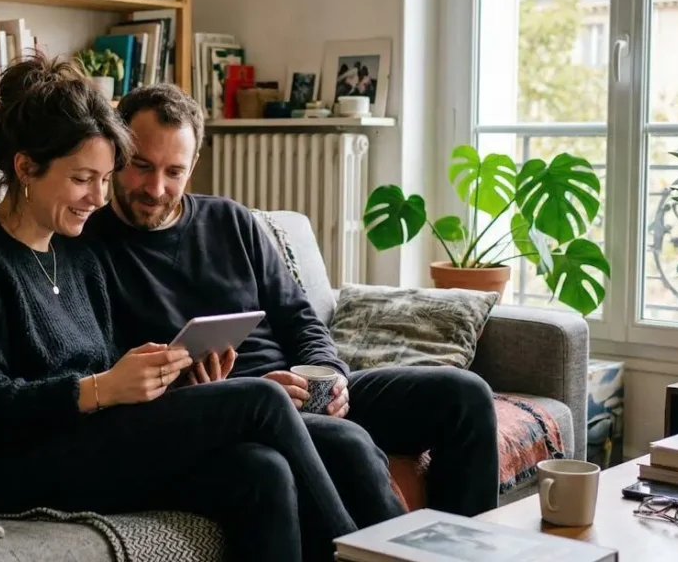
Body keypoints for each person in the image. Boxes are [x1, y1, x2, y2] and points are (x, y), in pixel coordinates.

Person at [0, 55, 364, 562]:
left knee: (261, 471)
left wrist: (169, 383)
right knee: (260, 399)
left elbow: (105, 370)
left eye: (105, 179)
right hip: (9, 465)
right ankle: (367, 557)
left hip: (88, 442)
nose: (98, 198)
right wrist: (101, 389)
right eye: (83, 179)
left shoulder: (77, 255)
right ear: (25, 167)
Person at [82, 83, 501, 519]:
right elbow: (115, 376)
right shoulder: (89, 249)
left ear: (194, 166)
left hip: (302, 391)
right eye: (141, 166)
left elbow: (300, 318)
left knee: (464, 395)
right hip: (235, 415)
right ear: (116, 152)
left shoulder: (231, 221)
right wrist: (203, 391)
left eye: (174, 172)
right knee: (350, 444)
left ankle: (461, 549)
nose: (156, 188)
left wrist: (333, 378)